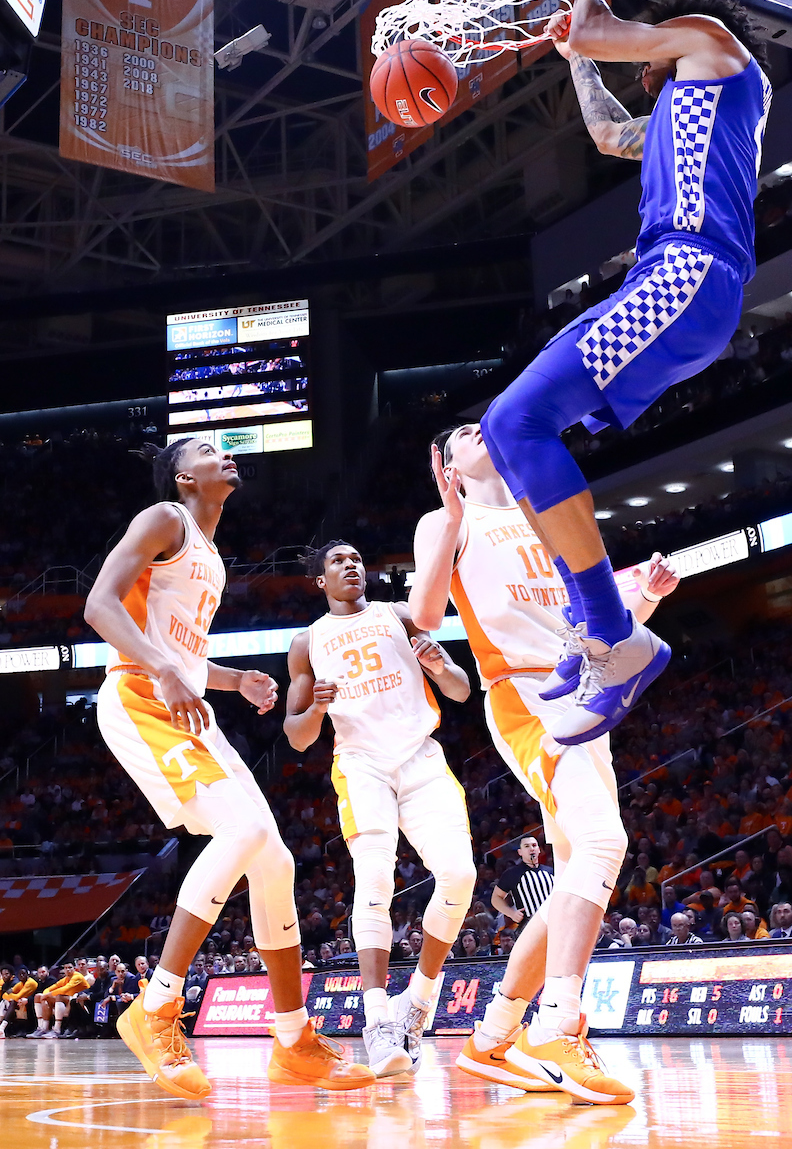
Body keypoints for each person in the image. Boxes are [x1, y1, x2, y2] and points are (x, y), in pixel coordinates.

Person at [476, 0, 771, 745]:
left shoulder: (714, 46)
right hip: (668, 282)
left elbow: (610, 32)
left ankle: (616, 636)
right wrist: (577, 58)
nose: (647, 61)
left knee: (517, 419)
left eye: (654, 44)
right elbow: (609, 133)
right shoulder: (682, 112)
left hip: (689, 272)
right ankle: (592, 621)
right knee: (508, 434)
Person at [84, 439, 374, 1098]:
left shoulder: (210, 556)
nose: (228, 454)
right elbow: (98, 605)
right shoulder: (165, 519)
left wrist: (231, 678)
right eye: (211, 450)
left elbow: (180, 654)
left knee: (276, 861)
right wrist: (164, 669)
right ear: (185, 475)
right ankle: (155, 1007)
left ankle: (293, 1038)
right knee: (240, 832)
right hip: (137, 696)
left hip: (184, 702)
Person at [410, 424, 678, 1104]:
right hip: (526, 695)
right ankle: (557, 1024)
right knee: (603, 841)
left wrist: (643, 595)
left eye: (483, 424)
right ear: (446, 464)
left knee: (572, 878)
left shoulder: (542, 513)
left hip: (587, 690)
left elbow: (594, 618)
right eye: (462, 433)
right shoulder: (451, 520)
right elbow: (424, 611)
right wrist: (447, 515)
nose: (480, 429)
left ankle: (493, 1035)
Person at [284, 540, 474, 1079]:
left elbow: (460, 692)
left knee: (459, 875)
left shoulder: (400, 616)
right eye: (339, 562)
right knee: (374, 883)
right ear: (320, 580)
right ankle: (376, 1023)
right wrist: (316, 707)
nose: (352, 565)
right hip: (362, 766)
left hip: (420, 757)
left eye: (357, 559)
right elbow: (296, 738)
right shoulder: (308, 642)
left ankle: (418, 1003)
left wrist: (439, 666)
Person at [492, 836, 554, 928]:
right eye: (526, 846)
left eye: (534, 845)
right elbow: (496, 898)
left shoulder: (551, 871)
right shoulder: (512, 873)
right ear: (520, 852)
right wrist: (511, 913)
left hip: (553, 922)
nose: (531, 849)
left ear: (539, 850)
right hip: (529, 925)